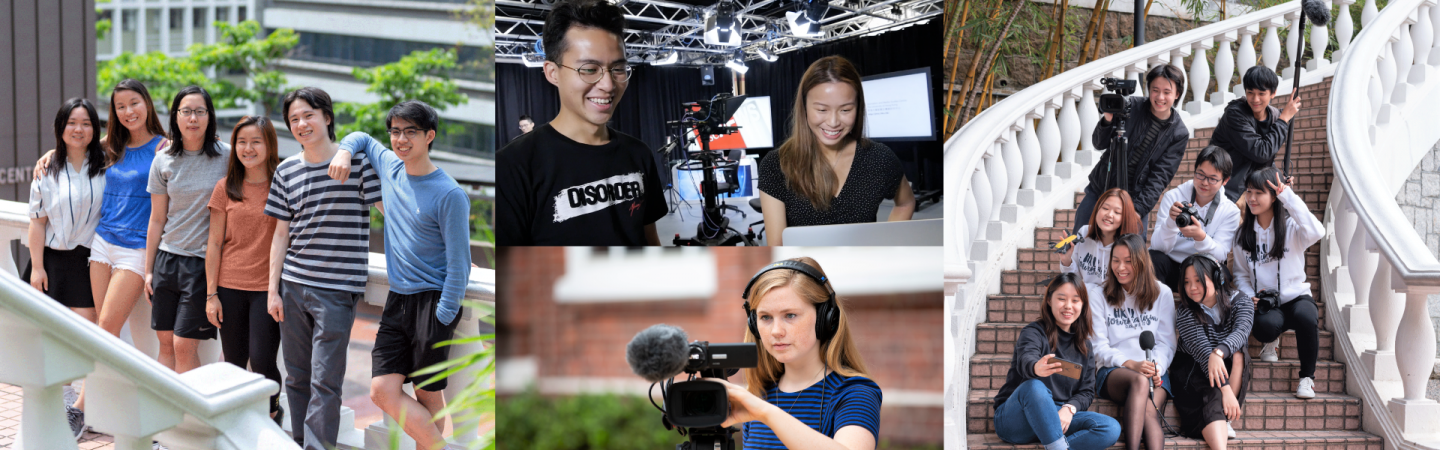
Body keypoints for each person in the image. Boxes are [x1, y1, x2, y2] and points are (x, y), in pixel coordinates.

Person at [327, 100, 472, 450]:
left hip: (432, 301)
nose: (401, 139)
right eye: (395, 132)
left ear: (429, 136)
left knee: (427, 393)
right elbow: (360, 137)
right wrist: (344, 152)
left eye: (410, 132)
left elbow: (460, 265)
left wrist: (443, 315)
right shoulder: (391, 166)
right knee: (382, 390)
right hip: (397, 301)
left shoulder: (450, 194)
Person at [36, 79, 171, 439]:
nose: (128, 111)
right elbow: (73, 146)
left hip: (135, 250)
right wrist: (48, 156)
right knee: (99, 330)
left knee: (106, 329)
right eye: (121, 106)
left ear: (147, 104)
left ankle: (78, 410)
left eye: (134, 103)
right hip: (101, 244)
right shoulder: (110, 146)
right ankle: (107, 403)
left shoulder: (164, 146)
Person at [265, 86, 383, 450]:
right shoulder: (286, 171)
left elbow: (390, 213)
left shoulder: (358, 165)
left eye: (308, 115)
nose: (301, 124)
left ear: (327, 118)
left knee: (325, 380)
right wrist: (273, 290)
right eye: (294, 119)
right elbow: (280, 235)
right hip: (293, 286)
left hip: (336, 291)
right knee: (297, 378)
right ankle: (303, 443)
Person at [496, 0, 665, 246]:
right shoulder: (513, 166)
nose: (608, 85)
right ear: (552, 73)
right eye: (589, 69)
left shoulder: (638, 153)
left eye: (618, 69)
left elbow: (650, 241)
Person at [703, 258, 881, 450]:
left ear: (825, 319)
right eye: (765, 317)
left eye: (790, 315)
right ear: (754, 325)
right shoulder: (760, 396)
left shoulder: (856, 392)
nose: (776, 331)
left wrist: (766, 413)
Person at [758, 56, 915, 245]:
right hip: (807, 272)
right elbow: (778, 247)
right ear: (804, 107)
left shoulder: (879, 158)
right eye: (822, 110)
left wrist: (884, 245)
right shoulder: (777, 165)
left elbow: (906, 203)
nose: (833, 122)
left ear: (858, 107)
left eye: (846, 110)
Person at [145, 85, 230, 374]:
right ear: (176, 116)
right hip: (167, 260)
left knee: (184, 345)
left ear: (209, 116)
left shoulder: (227, 157)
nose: (192, 118)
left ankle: (192, 419)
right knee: (166, 345)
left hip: (202, 265)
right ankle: (167, 417)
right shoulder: (163, 159)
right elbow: (157, 219)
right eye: (186, 111)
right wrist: (148, 270)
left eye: (199, 111)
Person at [204, 115, 283, 425]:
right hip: (229, 285)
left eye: (256, 142)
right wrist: (212, 294)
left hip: (267, 288)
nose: (247, 148)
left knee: (263, 360)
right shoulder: (226, 187)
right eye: (241, 142)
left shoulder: (282, 184)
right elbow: (214, 244)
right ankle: (239, 427)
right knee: (234, 363)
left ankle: (272, 411)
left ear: (269, 145)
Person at [992, 273, 1121, 450]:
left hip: (1058, 417)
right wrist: (1036, 368)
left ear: (1083, 306)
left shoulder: (1085, 346)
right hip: (1016, 420)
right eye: (1061, 299)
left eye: (1075, 300)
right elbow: (1026, 359)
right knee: (1034, 387)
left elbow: (1086, 391)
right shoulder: (1033, 333)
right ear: (1049, 301)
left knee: (1110, 428)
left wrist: (1069, 409)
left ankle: (1055, 445)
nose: (1068, 306)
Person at [1231, 167, 1324, 399]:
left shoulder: (1293, 228)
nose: (1251, 198)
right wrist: (1247, 295)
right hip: (1265, 301)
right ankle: (1271, 340)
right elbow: (1240, 274)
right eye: (1248, 192)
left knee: (1306, 316)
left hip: (1296, 297)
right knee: (1264, 326)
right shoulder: (1242, 235)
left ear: (1274, 197)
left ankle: (1307, 378)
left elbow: (1318, 231)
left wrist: (1288, 196)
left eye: (1258, 193)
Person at [1077, 64, 1189, 236]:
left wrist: (1137, 210)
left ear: (1177, 94)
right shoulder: (1131, 106)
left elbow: (1159, 177)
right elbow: (1099, 144)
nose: (1160, 97)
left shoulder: (1178, 133)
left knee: (1132, 254)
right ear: (1149, 90)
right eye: (1155, 90)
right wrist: (1107, 121)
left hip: (1134, 200)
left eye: (1167, 92)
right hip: (1102, 189)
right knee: (1080, 240)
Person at [1088, 233, 1175, 450]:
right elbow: (1098, 347)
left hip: (1154, 370)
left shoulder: (1162, 293)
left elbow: (1167, 342)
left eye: (1128, 261)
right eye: (1115, 260)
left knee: (1148, 411)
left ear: (1141, 262)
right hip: (1114, 371)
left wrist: (1158, 367)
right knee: (1139, 382)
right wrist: (1131, 364)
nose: (1120, 267)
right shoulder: (1098, 294)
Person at [24, 98, 107, 324]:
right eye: (71, 123)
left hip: (88, 265)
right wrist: (37, 268)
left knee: (87, 335)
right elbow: (37, 223)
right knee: (48, 336)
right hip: (51, 265)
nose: (78, 129)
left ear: (95, 129)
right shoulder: (46, 170)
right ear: (60, 126)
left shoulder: (108, 166)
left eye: (86, 123)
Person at [1171, 254, 1253, 446]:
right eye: (1187, 282)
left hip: (1226, 361)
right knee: (1213, 394)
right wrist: (1225, 391)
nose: (1192, 288)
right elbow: (1202, 352)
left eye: (1199, 281)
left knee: (1240, 352)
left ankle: (1226, 417)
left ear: (1217, 278)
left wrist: (1219, 352)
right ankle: (1223, 419)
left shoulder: (1241, 302)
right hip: (1191, 369)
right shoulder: (1184, 312)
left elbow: (1242, 332)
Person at [1149, 146, 1242, 287]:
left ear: (1225, 180)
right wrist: (1170, 223)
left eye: (1212, 179)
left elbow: (1221, 255)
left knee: (1222, 274)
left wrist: (1201, 237)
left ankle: (1202, 309)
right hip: (1172, 266)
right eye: (1200, 174)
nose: (1204, 182)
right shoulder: (1173, 197)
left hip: (1203, 269)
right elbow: (1157, 247)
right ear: (1194, 170)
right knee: (1152, 259)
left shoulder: (1230, 211)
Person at [1208, 66, 1302, 202]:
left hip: (1254, 189)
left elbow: (1266, 162)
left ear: (1273, 93)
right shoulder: (1235, 114)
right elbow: (1261, 152)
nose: (1255, 99)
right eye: (1250, 92)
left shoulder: (1275, 117)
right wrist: (1283, 120)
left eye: (1261, 93)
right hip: (1228, 191)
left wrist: (1280, 180)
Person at [1060, 188, 1141, 291]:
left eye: (1117, 212)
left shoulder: (1128, 247)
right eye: (1105, 208)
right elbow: (1075, 279)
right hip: (1085, 299)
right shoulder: (1084, 233)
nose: (1109, 214)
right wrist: (1066, 260)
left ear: (1125, 218)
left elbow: (1126, 288)